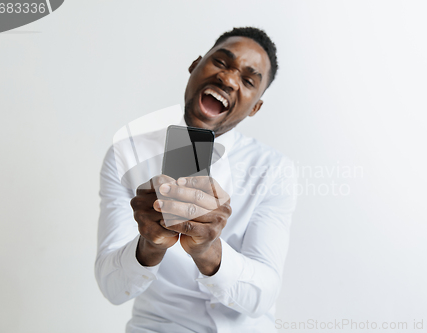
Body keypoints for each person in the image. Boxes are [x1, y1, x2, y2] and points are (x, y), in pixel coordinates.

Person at [95, 27, 297, 332]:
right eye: (221, 62)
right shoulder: (128, 154)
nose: (228, 79)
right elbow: (112, 288)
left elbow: (263, 296)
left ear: (255, 106)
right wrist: (150, 245)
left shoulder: (273, 169)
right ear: (195, 65)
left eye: (247, 80)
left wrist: (208, 251)